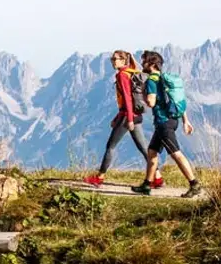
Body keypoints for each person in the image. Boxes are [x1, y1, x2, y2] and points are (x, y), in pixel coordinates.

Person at [84, 50, 163, 188]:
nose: (113, 61)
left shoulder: (122, 75)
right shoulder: (131, 71)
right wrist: (118, 117)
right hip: (135, 115)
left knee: (110, 146)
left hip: (129, 116)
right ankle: (157, 177)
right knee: (144, 148)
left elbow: (127, 97)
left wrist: (129, 119)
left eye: (116, 59)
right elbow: (134, 70)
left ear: (123, 61)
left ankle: (100, 177)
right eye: (112, 59)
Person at [132, 51, 202, 198]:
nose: (142, 63)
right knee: (152, 152)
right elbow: (175, 100)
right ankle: (146, 185)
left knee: (176, 154)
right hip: (171, 120)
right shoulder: (164, 79)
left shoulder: (151, 80)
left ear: (151, 64)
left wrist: (143, 93)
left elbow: (150, 103)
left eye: (144, 61)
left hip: (164, 123)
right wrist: (185, 120)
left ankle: (194, 184)